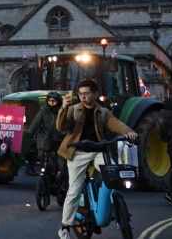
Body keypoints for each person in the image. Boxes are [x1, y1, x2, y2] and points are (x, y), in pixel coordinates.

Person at [55, 79, 138, 239]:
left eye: (86, 93)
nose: (83, 97)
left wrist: (129, 132)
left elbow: (116, 124)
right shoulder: (73, 110)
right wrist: (64, 108)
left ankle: (118, 211)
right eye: (81, 94)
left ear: (96, 94)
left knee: (115, 177)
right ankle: (65, 227)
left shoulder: (103, 112)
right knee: (74, 190)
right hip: (77, 152)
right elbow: (61, 126)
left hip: (99, 151)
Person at [24, 91, 66, 177]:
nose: (52, 102)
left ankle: (63, 184)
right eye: (50, 100)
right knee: (43, 156)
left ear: (58, 101)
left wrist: (64, 134)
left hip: (60, 138)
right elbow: (36, 121)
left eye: (54, 100)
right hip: (47, 138)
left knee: (61, 164)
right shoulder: (44, 110)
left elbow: (68, 123)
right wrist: (29, 132)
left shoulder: (63, 110)